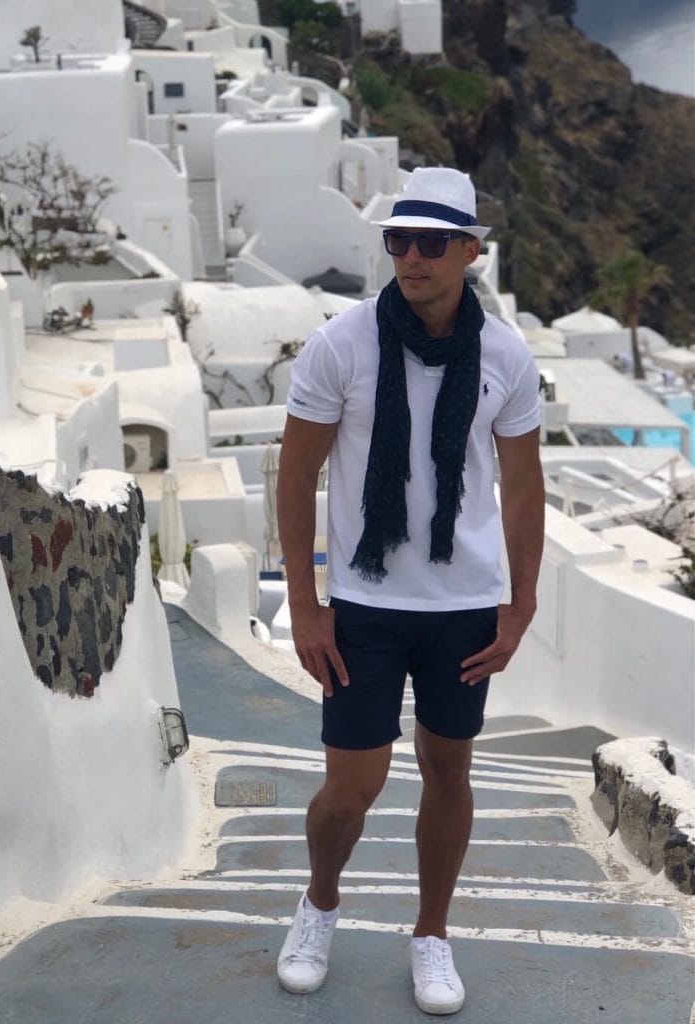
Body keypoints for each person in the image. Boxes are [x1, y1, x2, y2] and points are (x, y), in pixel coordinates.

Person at [275, 166, 544, 1015]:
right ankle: (319, 901)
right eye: (399, 240)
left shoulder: (504, 354)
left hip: (463, 605)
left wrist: (521, 601)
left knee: (448, 771)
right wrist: (308, 602)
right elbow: (295, 474)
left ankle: (432, 933)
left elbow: (524, 484)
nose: (413, 257)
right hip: (365, 602)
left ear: (470, 251)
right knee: (351, 786)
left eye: (432, 242)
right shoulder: (343, 344)